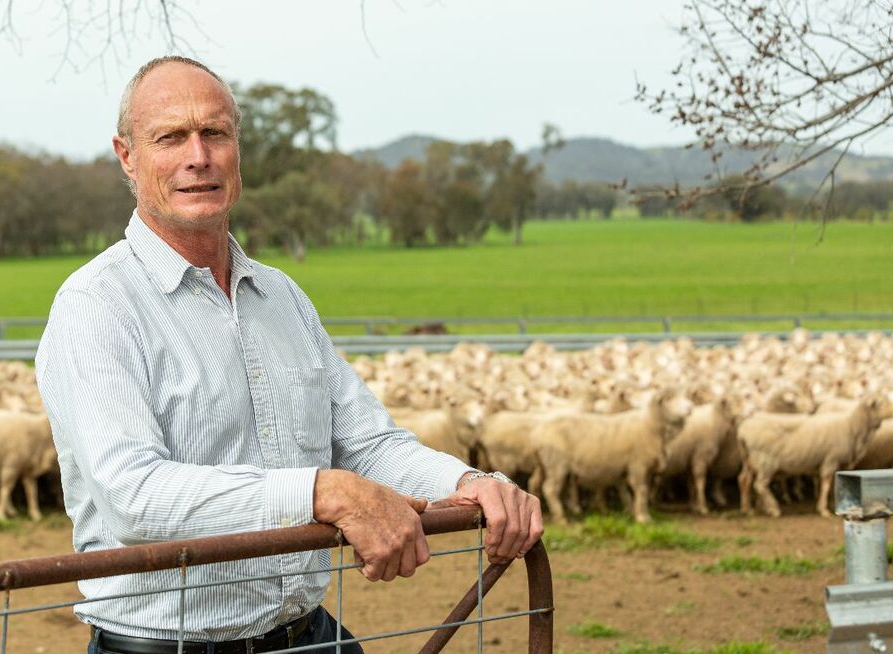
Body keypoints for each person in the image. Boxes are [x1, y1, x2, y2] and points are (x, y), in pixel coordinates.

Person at [35, 55, 543, 654]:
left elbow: (365, 443)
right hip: (169, 647)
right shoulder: (98, 304)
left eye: (215, 133)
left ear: (237, 150)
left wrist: (469, 481)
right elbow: (134, 496)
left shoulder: (281, 297)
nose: (198, 156)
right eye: (170, 137)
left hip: (307, 637)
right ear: (127, 155)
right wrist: (323, 492)